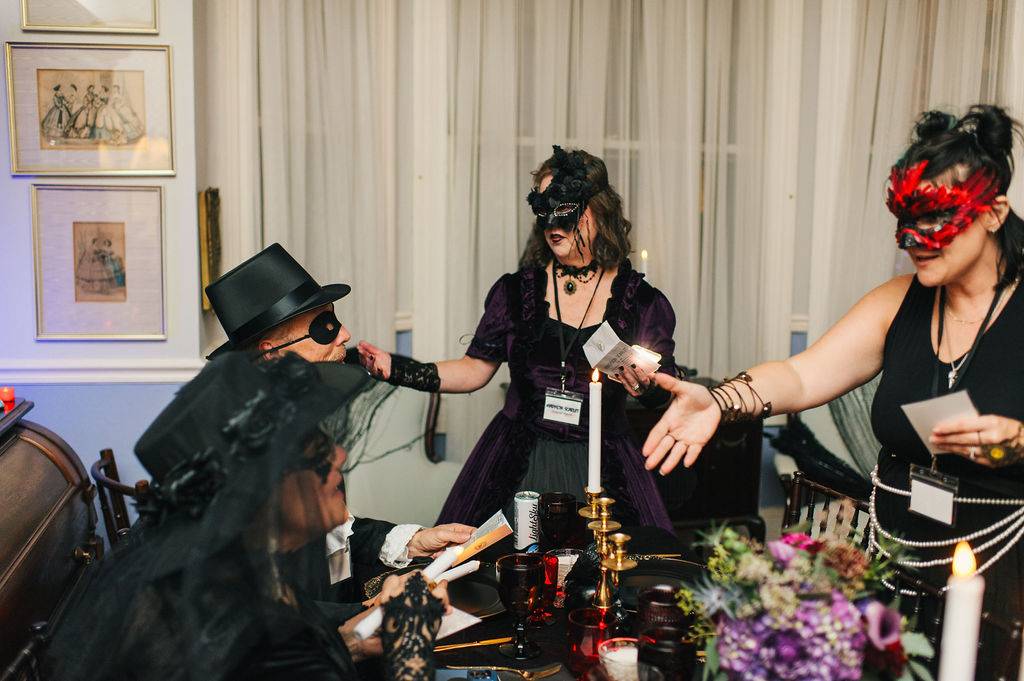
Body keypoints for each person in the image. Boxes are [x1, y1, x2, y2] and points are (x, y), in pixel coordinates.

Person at [642, 105, 1024, 674]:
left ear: (993, 213)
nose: (914, 239)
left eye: (937, 218)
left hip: (1000, 584)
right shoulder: (899, 301)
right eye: (905, 218)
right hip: (893, 570)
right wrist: (717, 400)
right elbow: (800, 376)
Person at [47, 353, 450, 681]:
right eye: (314, 449)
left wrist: (351, 642)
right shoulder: (238, 629)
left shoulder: (241, 569)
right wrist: (410, 646)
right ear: (264, 489)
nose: (340, 456)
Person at [358, 146, 678, 530]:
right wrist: (397, 368)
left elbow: (666, 389)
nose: (551, 223)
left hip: (604, 466)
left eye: (562, 207)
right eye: (542, 209)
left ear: (597, 209)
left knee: (611, 563)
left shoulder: (639, 301)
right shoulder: (516, 293)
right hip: (516, 462)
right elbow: (473, 370)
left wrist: (646, 386)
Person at [205, 243, 473, 603]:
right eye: (324, 327)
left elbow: (336, 536)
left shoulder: (297, 420)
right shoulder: (246, 459)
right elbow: (270, 614)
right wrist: (366, 614)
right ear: (272, 353)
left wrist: (413, 540)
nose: (344, 334)